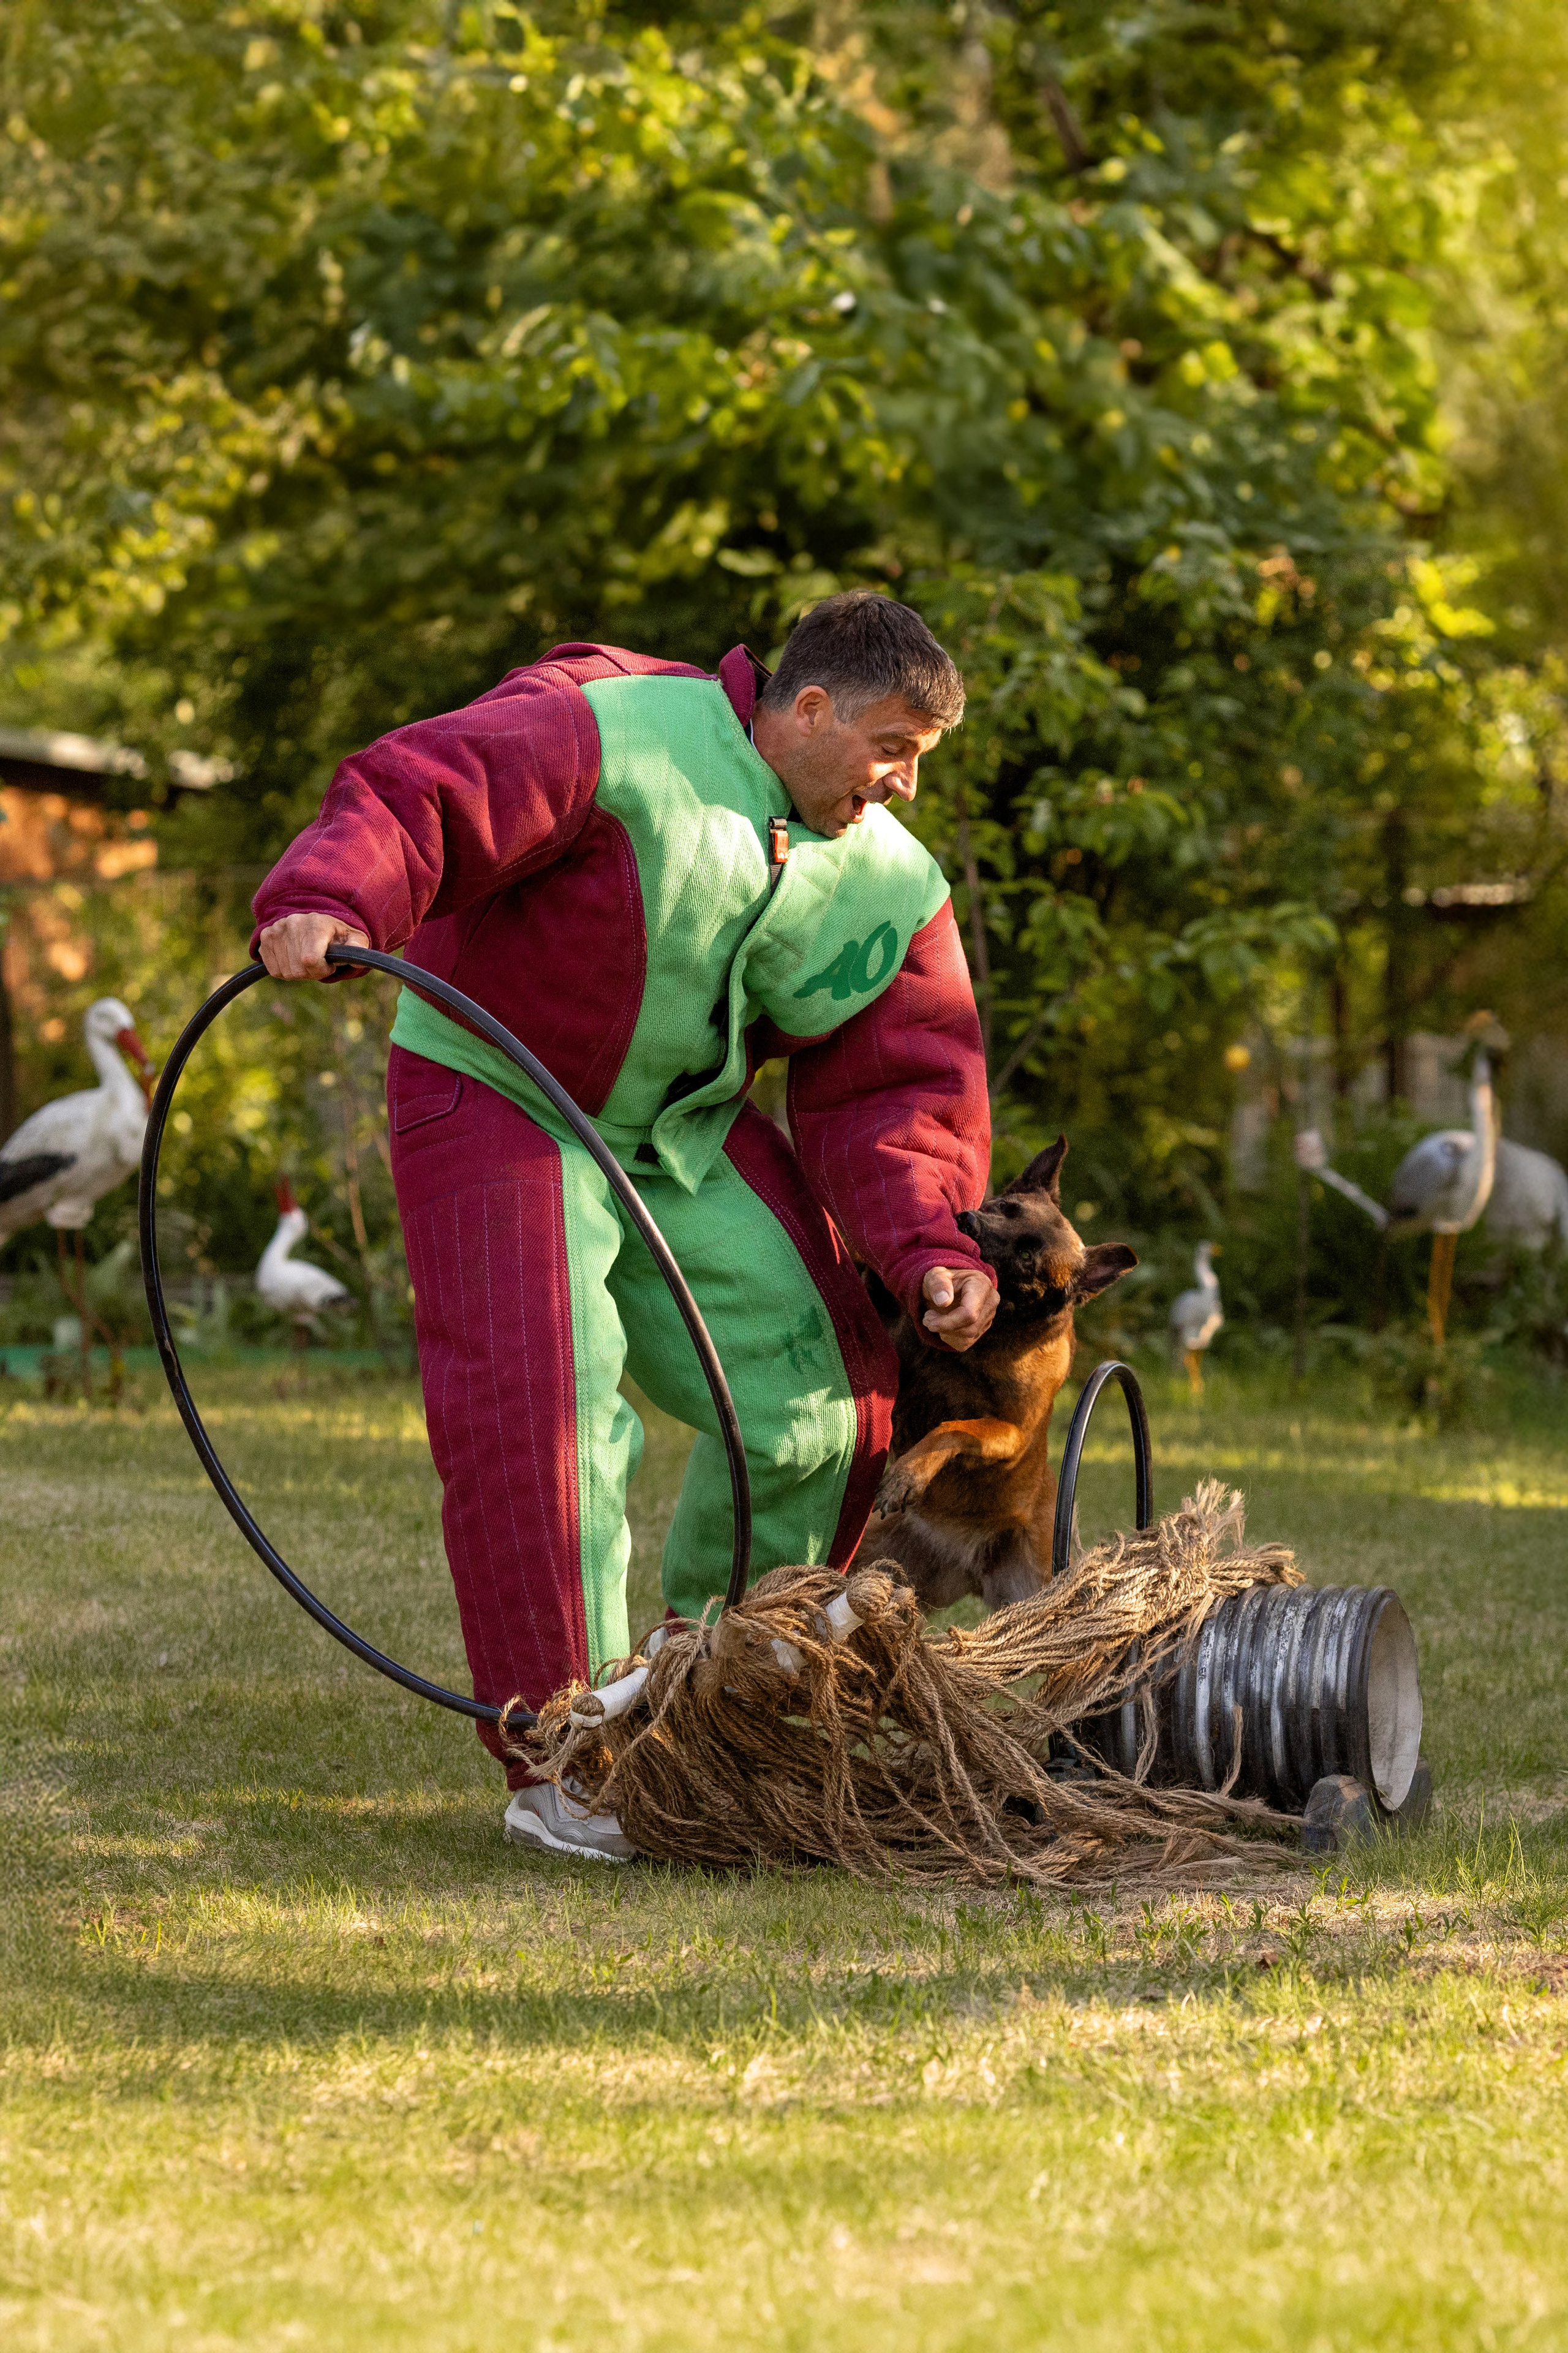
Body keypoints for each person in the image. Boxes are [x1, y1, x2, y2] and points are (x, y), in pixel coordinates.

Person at [253, 591, 998, 1858]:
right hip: (498, 1085)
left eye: (919, 760)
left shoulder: (886, 880)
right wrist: (331, 892)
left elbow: (899, 1086)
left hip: (674, 1125)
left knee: (818, 1396)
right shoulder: (611, 728)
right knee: (545, 1406)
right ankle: (568, 1760)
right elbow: (425, 787)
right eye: (892, 750)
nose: (905, 787)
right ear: (809, 709)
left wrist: (930, 1244)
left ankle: (729, 1704)